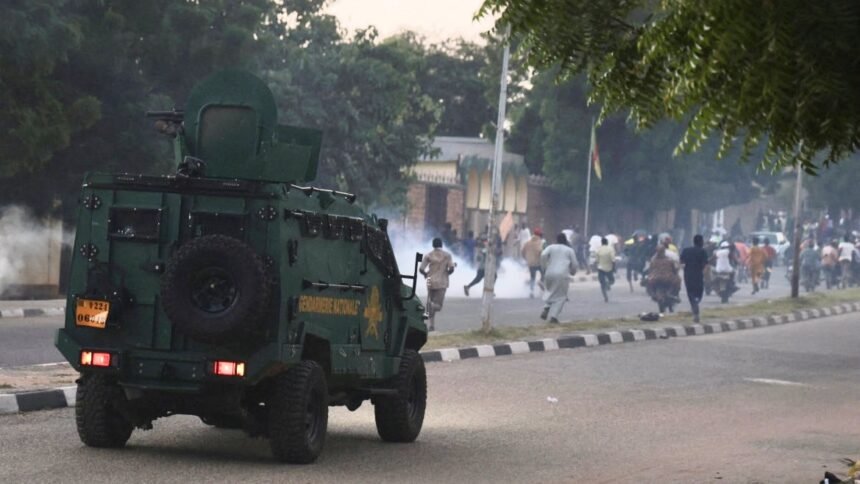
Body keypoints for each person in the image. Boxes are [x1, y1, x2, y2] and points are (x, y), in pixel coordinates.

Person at [539, 234, 578, 324]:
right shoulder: (569, 250)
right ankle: (553, 317)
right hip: (562, 274)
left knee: (550, 292)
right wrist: (572, 272)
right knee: (561, 296)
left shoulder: (551, 247)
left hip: (549, 273)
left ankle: (546, 307)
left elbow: (543, 255)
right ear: (565, 241)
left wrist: (544, 267)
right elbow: (575, 264)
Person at [419, 238, 455, 331]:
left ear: (433, 245)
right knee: (437, 306)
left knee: (432, 303)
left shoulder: (428, 255)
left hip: (430, 281)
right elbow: (451, 268)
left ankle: (431, 326)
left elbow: (421, 269)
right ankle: (430, 306)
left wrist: (425, 274)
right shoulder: (447, 255)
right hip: (442, 283)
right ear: (441, 245)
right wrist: (448, 272)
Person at [680, 235, 709, 322]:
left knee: (690, 292)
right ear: (701, 242)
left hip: (688, 275)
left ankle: (694, 304)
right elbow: (706, 265)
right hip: (698, 275)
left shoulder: (686, 250)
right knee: (699, 292)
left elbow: (681, 262)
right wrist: (704, 274)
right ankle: (696, 302)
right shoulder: (703, 252)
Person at [521, 228, 545, 298]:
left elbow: (522, 252)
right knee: (543, 272)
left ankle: (531, 291)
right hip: (539, 262)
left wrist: (527, 259)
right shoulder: (541, 242)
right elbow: (542, 252)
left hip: (530, 263)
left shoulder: (527, 243)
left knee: (532, 277)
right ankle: (541, 281)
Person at [595, 237, 616, 302]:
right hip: (609, 268)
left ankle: (605, 297)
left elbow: (597, 260)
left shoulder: (598, 249)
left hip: (600, 268)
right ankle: (608, 284)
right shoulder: (610, 249)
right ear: (607, 242)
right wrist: (614, 268)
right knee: (612, 280)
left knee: (602, 284)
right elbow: (613, 260)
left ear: (602, 243)